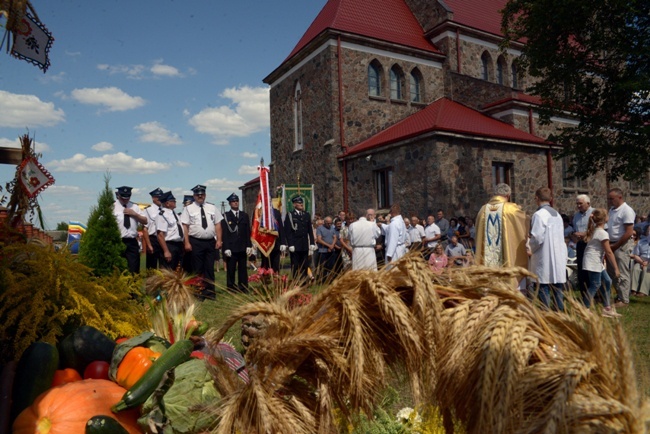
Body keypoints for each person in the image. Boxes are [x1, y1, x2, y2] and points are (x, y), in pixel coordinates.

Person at [475, 183, 528, 290]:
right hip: (506, 258)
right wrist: (521, 212)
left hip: (487, 262)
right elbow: (525, 222)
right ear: (508, 195)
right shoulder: (512, 209)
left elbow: (477, 232)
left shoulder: (482, 210)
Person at [180, 185, 223, 299]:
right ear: (194, 196)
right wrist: (187, 242)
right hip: (195, 242)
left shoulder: (212, 207)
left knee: (209, 268)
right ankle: (198, 292)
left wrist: (219, 239)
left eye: (202, 194)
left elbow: (218, 224)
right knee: (197, 268)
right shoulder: (188, 209)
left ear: (205, 195)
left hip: (210, 242)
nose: (200, 196)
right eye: (198, 195)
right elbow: (185, 226)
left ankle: (210, 293)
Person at [529, 187, 567, 311]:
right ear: (550, 199)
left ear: (536, 198)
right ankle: (559, 310)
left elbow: (537, 237)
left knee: (543, 284)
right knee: (557, 284)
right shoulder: (557, 214)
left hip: (544, 255)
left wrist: (530, 248)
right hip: (557, 254)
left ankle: (545, 311)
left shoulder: (539, 215)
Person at [582, 209, 621, 317]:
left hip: (595, 260)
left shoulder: (595, 230)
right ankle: (585, 308)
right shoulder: (602, 233)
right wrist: (616, 268)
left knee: (607, 281)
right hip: (593, 261)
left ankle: (607, 308)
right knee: (595, 284)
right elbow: (608, 252)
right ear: (605, 219)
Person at [607, 188, 636, 308]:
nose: (609, 201)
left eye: (611, 198)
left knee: (622, 271)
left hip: (622, 244)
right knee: (612, 271)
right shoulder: (612, 210)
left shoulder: (627, 210)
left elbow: (629, 232)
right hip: (612, 243)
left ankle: (624, 299)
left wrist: (616, 246)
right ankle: (619, 295)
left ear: (619, 197)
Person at [220, 193, 252, 292]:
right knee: (231, 269)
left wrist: (249, 245)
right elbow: (224, 233)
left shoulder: (244, 215)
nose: (235, 203)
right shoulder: (226, 216)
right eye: (233, 201)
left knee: (243, 269)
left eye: (237, 201)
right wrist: (226, 248)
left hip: (242, 246)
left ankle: (243, 286)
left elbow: (247, 231)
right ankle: (231, 287)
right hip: (231, 247)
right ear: (230, 203)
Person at [113, 186, 147, 273]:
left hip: (131, 241)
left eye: (127, 198)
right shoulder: (112, 207)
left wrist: (135, 214)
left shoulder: (134, 206)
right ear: (119, 195)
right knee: (117, 268)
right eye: (123, 198)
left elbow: (145, 220)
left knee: (134, 268)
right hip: (118, 241)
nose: (125, 200)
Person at [282, 196, 316, 279]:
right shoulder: (290, 215)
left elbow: (309, 230)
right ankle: (296, 282)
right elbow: (288, 231)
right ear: (294, 204)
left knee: (305, 264)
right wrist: (290, 244)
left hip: (304, 244)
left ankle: (304, 282)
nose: (301, 204)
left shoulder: (306, 215)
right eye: (299, 203)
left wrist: (311, 242)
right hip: (295, 244)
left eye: (301, 203)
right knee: (295, 265)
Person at [156, 191, 185, 271]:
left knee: (178, 271)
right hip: (169, 245)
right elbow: (160, 235)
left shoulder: (174, 213)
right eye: (173, 201)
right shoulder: (162, 214)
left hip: (178, 245)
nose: (175, 202)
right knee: (168, 272)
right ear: (167, 203)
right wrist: (166, 251)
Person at [571, 194, 594, 294]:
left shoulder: (594, 213)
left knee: (591, 269)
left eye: (581, 203)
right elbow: (574, 229)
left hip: (592, 244)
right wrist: (576, 234)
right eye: (577, 204)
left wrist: (585, 234)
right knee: (581, 269)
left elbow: (600, 228)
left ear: (588, 203)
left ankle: (595, 294)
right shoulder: (576, 216)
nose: (578, 206)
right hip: (580, 244)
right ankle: (584, 293)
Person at [142, 187, 163, 270]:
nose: (159, 199)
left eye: (161, 197)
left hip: (164, 240)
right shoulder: (148, 210)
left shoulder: (165, 209)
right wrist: (149, 244)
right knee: (151, 267)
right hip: (153, 239)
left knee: (163, 266)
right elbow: (145, 229)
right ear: (153, 198)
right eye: (157, 197)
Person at [261, 205, 283, 273]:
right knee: (265, 264)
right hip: (264, 243)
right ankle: (266, 280)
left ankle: (276, 279)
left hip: (275, 242)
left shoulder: (276, 212)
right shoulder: (259, 212)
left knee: (276, 263)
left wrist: (283, 242)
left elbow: (281, 228)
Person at [316, 216, 338, 282]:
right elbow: (319, 239)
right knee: (323, 266)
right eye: (328, 223)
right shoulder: (320, 228)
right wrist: (328, 246)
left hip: (331, 250)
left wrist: (332, 245)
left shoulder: (332, 228)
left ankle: (330, 279)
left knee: (331, 265)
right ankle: (323, 279)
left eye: (330, 223)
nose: (329, 225)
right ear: (324, 222)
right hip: (323, 250)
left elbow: (335, 237)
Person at [630, 224, 650, 297]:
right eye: (648, 230)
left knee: (647, 270)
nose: (649, 232)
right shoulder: (641, 242)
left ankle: (643, 291)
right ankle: (633, 289)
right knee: (636, 268)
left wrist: (647, 262)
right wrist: (641, 262)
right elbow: (636, 254)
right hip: (641, 260)